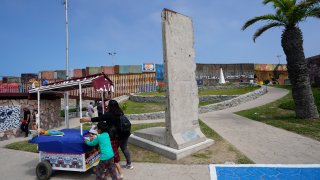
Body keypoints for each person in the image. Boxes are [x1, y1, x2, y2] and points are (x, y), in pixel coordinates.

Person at [81, 100, 131, 178]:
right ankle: (113, 173)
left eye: (108, 105)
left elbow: (100, 118)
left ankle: (120, 173)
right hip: (121, 135)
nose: (107, 106)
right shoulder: (120, 112)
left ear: (110, 106)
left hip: (113, 137)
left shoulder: (109, 114)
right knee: (117, 153)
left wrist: (87, 119)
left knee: (114, 156)